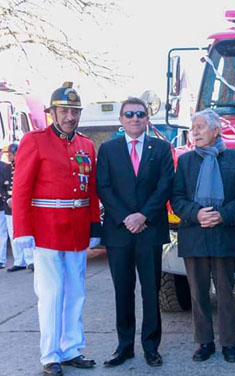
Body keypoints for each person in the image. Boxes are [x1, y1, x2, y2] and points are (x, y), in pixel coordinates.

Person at [13, 82, 101, 375]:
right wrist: (23, 230)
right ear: (52, 113)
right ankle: (50, 355)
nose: (70, 117)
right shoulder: (34, 140)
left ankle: (71, 348)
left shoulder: (86, 145)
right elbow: (22, 188)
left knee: (76, 293)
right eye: (64, 111)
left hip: (76, 230)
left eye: (74, 112)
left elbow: (90, 192)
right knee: (51, 295)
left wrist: (93, 225)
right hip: (47, 229)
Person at [96, 97, 174, 368]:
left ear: (146, 118)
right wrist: (125, 217)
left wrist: (143, 215)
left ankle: (151, 346)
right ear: (121, 119)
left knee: (150, 292)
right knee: (123, 291)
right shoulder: (108, 149)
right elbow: (103, 187)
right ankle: (124, 347)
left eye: (140, 114)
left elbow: (165, 185)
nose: (134, 118)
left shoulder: (161, 148)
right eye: (129, 114)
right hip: (119, 231)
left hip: (149, 230)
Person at [171, 109, 235, 363]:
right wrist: (196, 214)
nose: (194, 132)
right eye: (192, 127)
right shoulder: (185, 161)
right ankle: (204, 342)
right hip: (194, 234)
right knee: (198, 292)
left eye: (200, 127)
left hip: (223, 234)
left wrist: (223, 215)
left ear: (216, 131)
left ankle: (229, 343)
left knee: (226, 293)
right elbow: (177, 199)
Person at [2, 143, 32, 272]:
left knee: (26, 232)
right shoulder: (5, 169)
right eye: (8, 154)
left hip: (24, 207)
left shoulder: (26, 167)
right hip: (9, 208)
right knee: (13, 233)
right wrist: (7, 199)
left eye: (11, 154)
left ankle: (31, 260)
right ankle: (19, 261)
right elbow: (2, 187)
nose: (9, 156)